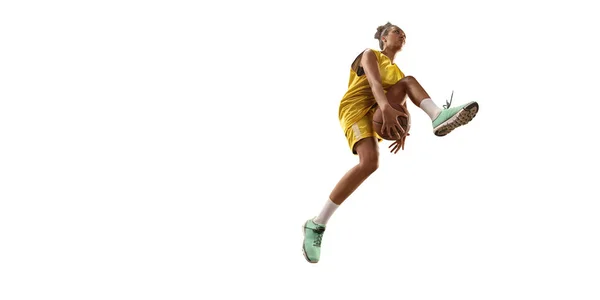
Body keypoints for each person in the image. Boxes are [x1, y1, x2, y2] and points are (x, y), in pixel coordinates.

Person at [302, 22, 479, 263]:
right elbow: (375, 84)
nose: (402, 35)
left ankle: (438, 115)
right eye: (396, 31)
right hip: (356, 109)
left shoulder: (398, 73)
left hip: (378, 109)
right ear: (384, 38)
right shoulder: (369, 54)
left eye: (403, 34)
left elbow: (404, 104)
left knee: (408, 81)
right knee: (369, 163)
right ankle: (317, 224)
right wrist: (385, 107)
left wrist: (404, 130)